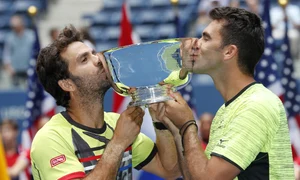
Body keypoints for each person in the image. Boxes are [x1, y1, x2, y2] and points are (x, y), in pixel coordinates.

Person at [159, 7, 295, 179]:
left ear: (229, 52)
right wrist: (176, 126)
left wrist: (188, 124)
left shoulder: (255, 105)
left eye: (205, 38)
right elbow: (195, 174)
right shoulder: (229, 109)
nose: (195, 43)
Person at [31, 25, 180, 180]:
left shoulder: (117, 123)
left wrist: (160, 121)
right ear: (67, 84)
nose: (99, 60)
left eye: (93, 53)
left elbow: (170, 170)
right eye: (84, 59)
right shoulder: (51, 138)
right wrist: (118, 143)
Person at [2, 15, 35, 88]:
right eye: (13, 26)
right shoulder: (9, 38)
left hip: (29, 69)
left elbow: (36, 52)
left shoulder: (31, 35)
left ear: (21, 24)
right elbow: (6, 54)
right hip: (15, 71)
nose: (14, 28)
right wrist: (9, 67)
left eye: (16, 25)